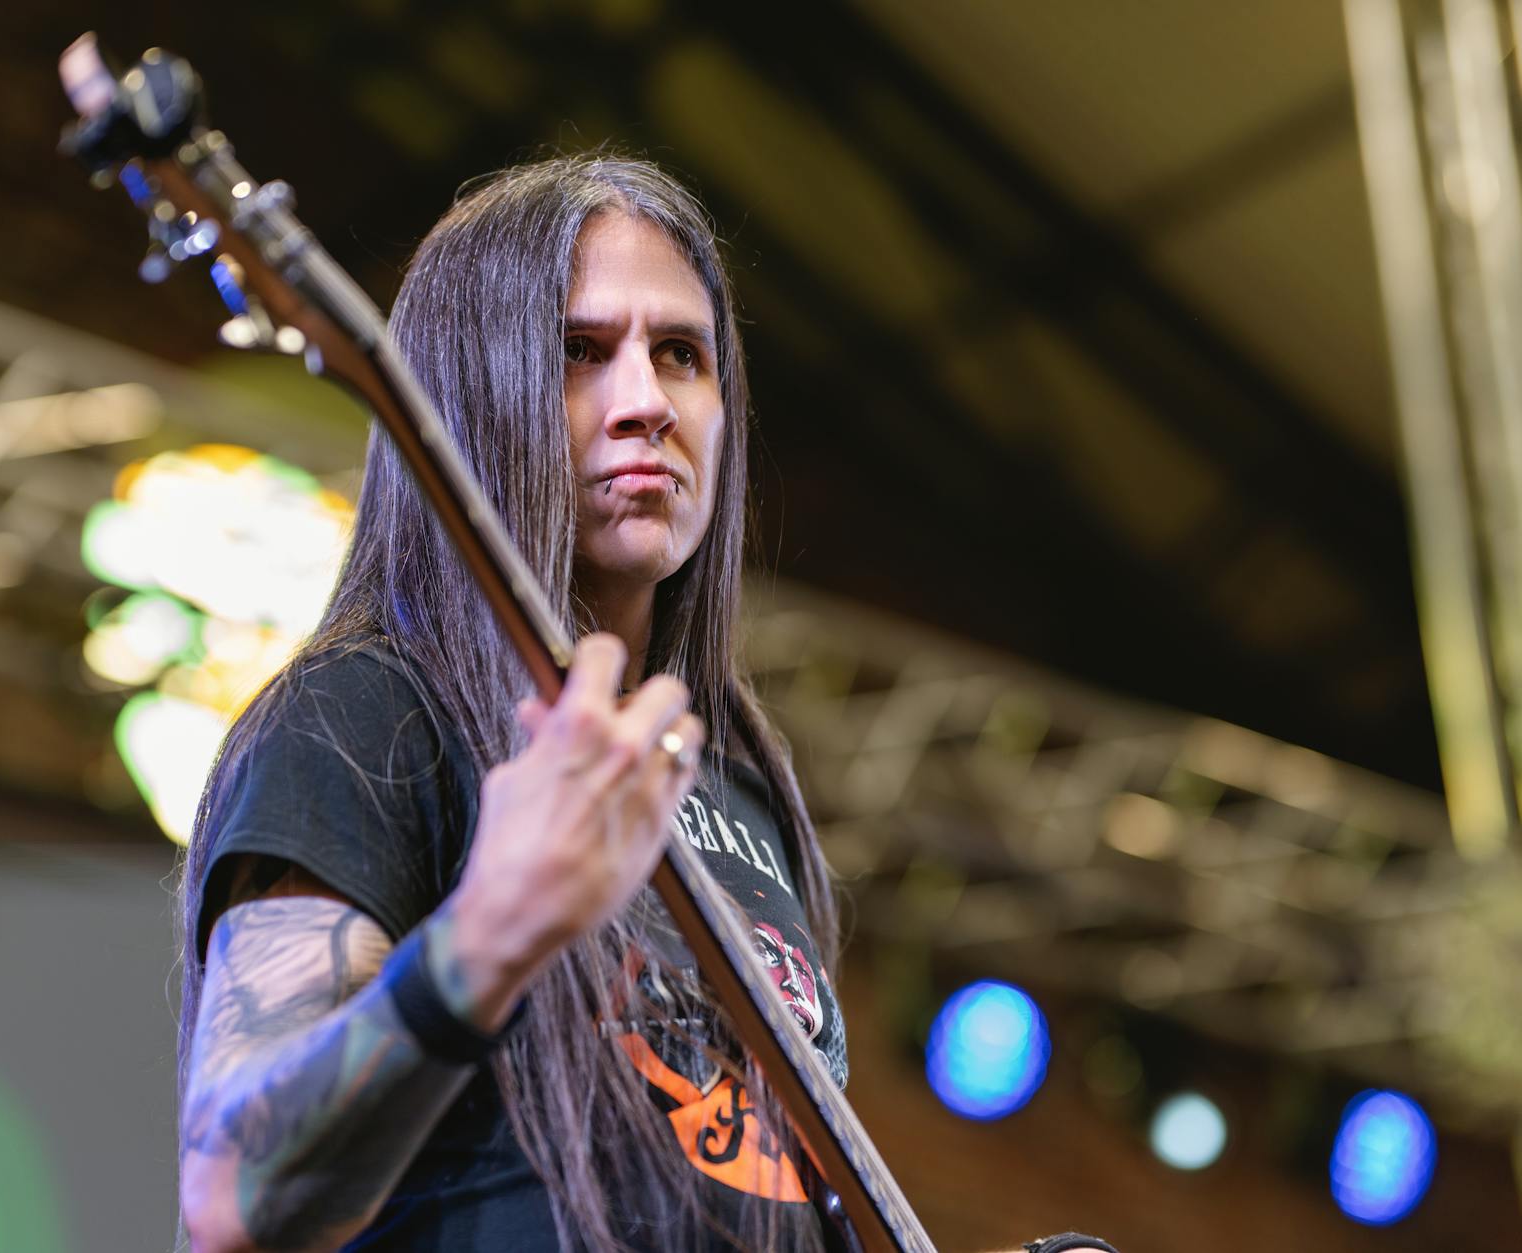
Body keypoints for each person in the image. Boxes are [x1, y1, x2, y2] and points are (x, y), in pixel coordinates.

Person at [173, 154, 1116, 1253]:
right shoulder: (366, 713)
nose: (645, 405)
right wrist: (489, 931)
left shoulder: (735, 781)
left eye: (681, 354)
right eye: (579, 353)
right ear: (474, 392)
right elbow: (233, 1197)